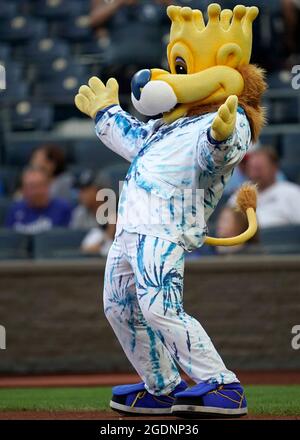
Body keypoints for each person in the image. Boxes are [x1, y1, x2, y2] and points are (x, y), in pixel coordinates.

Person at [75, 3, 266, 417]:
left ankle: (222, 384)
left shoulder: (225, 117)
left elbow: (217, 154)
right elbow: (135, 143)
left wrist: (218, 137)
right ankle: (161, 386)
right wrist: (106, 113)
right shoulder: (168, 122)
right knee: (118, 304)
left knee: (161, 306)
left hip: (166, 225)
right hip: (129, 226)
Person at [238, 148, 300, 228]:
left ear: (274, 168)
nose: (255, 174)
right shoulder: (241, 193)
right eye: (251, 168)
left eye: (259, 168)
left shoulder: (292, 192)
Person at [5, 167, 72, 234]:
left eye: (39, 186)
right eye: (31, 187)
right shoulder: (15, 210)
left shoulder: (63, 208)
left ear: (48, 186)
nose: (36, 192)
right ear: (23, 190)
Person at [71, 169, 115, 255]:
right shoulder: (79, 213)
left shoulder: (117, 213)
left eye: (85, 190)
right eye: (80, 190)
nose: (81, 194)